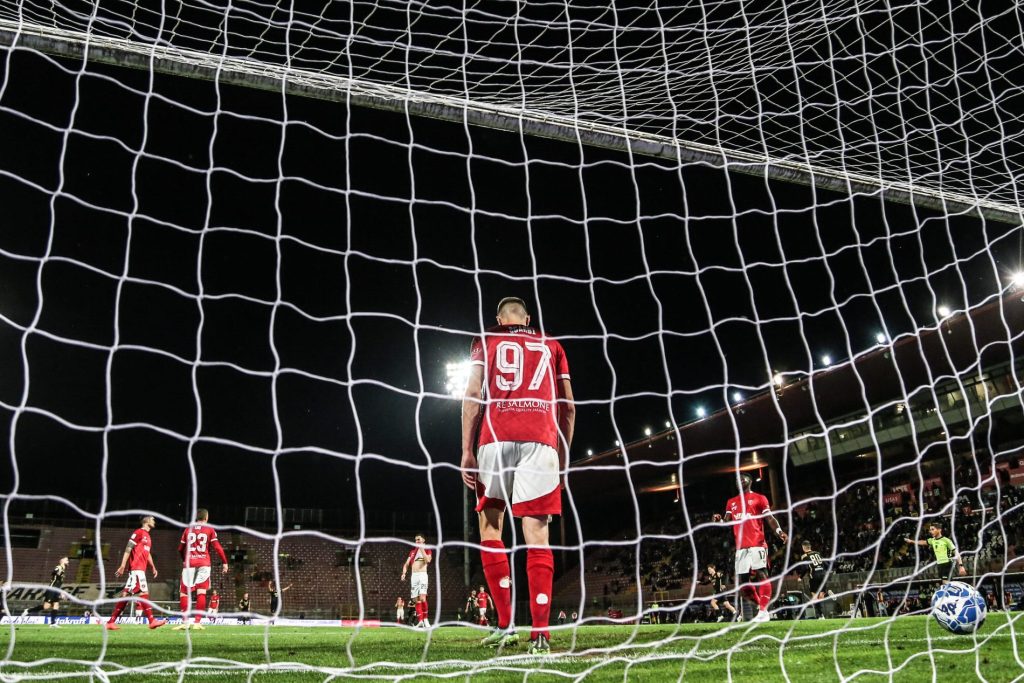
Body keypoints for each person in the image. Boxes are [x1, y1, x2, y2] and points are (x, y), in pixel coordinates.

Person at [461, 296, 575, 655]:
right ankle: (540, 633)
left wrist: (466, 450)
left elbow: (473, 393)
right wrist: (563, 456)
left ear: (499, 319)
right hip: (541, 441)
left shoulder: (486, 339)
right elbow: (569, 407)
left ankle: (505, 626)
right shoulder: (552, 344)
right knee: (537, 534)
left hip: (494, 438)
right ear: (527, 318)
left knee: (490, 527)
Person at [712, 473, 788, 623]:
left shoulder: (760, 498)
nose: (739, 481)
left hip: (757, 543)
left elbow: (770, 518)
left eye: (742, 478)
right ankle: (762, 608)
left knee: (762, 574)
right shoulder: (731, 502)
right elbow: (726, 522)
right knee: (743, 585)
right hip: (741, 547)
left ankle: (763, 611)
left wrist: (779, 531)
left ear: (750, 481)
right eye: (736, 480)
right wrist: (718, 520)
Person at [105, 515, 167, 630]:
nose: (154, 521)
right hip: (136, 568)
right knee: (143, 592)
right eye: (152, 519)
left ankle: (110, 622)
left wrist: (153, 566)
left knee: (126, 595)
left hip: (140, 569)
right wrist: (123, 565)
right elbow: (128, 548)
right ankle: (152, 621)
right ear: (146, 521)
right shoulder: (138, 532)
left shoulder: (148, 536)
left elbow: (147, 553)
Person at [173, 508, 229, 631]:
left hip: (189, 563)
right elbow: (218, 547)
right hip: (204, 563)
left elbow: (180, 548)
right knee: (201, 592)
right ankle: (197, 622)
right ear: (206, 518)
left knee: (184, 592)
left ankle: (185, 622)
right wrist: (225, 562)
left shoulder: (188, 529)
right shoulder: (209, 529)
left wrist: (184, 560)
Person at [23, 556, 69, 627]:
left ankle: (53, 623)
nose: (68, 561)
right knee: (46, 606)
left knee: (55, 605)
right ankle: (28, 611)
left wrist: (60, 592)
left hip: (56, 590)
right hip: (51, 589)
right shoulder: (59, 567)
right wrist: (58, 572)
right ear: (62, 560)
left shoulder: (63, 569)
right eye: (66, 559)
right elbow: (54, 571)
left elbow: (58, 583)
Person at [400, 534, 433, 627]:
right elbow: (406, 564)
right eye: (416, 540)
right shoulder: (412, 552)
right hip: (414, 576)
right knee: (415, 600)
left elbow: (428, 560)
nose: (417, 541)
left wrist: (421, 548)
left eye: (418, 539)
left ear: (423, 540)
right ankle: (420, 620)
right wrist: (404, 573)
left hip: (422, 575)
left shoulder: (428, 549)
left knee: (422, 598)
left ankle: (426, 619)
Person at [799, 540, 836, 617]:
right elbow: (825, 563)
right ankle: (828, 595)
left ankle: (820, 615)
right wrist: (830, 570)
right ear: (810, 547)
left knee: (815, 597)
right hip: (823, 575)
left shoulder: (804, 556)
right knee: (821, 597)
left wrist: (800, 577)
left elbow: (805, 568)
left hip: (814, 576)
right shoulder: (817, 553)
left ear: (803, 547)